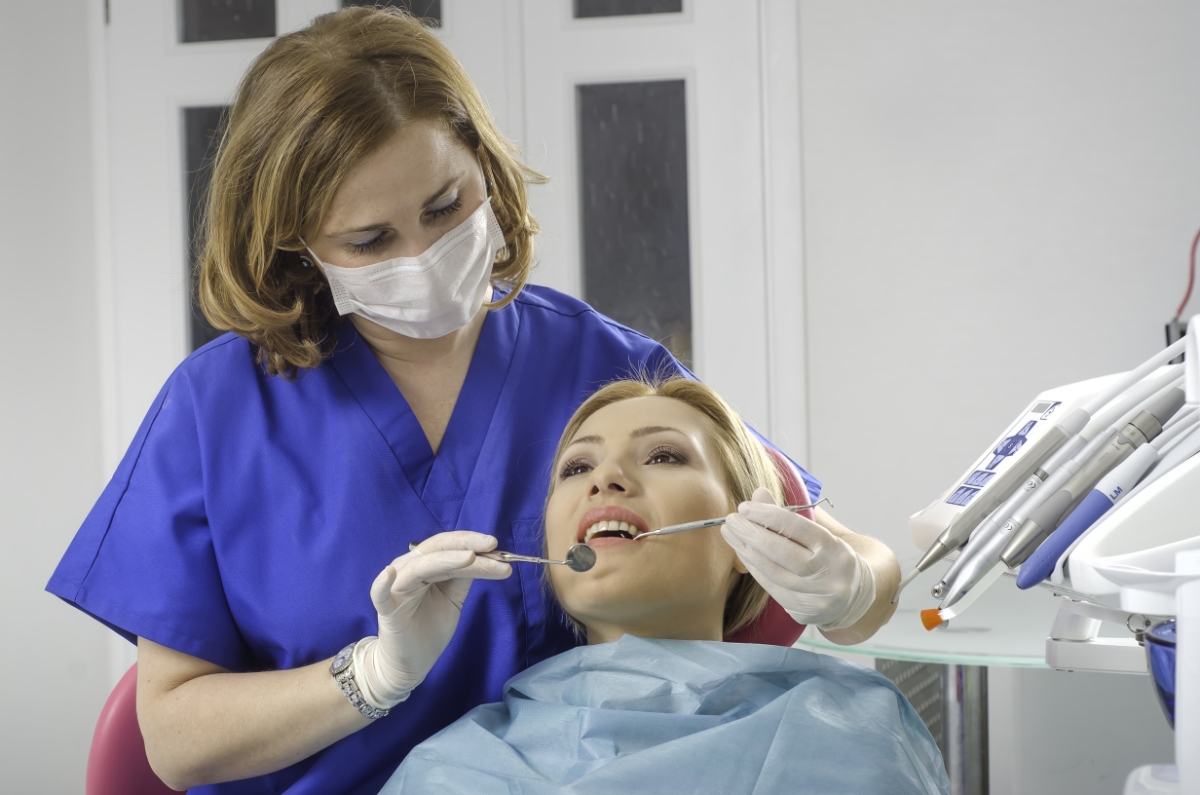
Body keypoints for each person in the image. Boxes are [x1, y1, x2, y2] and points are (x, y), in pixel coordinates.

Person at [46, 7, 899, 794]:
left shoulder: (603, 365)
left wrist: (852, 587)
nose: (423, 253)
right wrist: (372, 676)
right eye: (370, 240)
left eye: (446, 205)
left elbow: (826, 546)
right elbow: (175, 740)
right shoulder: (219, 411)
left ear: (484, 166)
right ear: (299, 246)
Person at [382, 377, 947, 794]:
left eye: (663, 455)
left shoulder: (858, 732)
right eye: (576, 468)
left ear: (749, 533)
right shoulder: (450, 772)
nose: (605, 478)